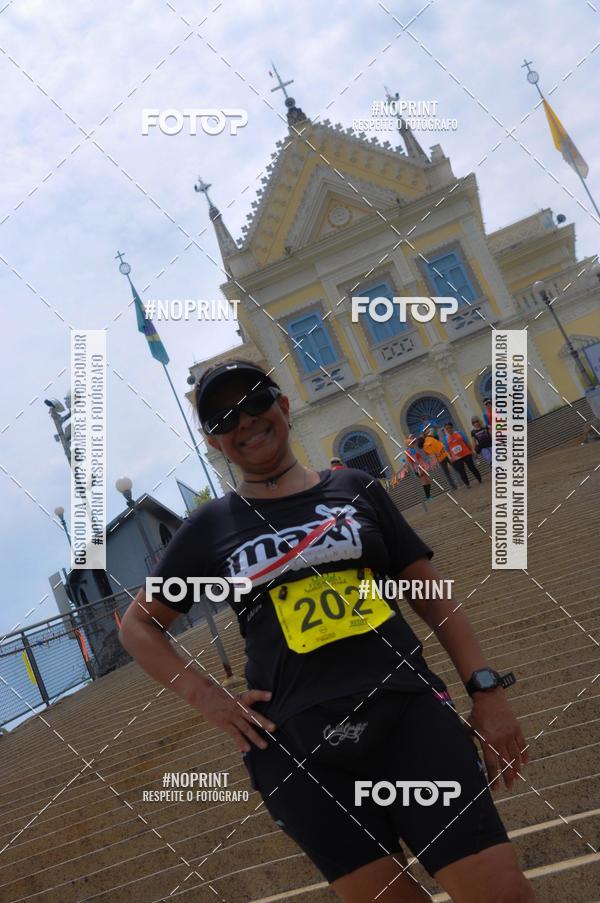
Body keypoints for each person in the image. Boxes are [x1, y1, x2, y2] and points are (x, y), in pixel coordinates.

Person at [118, 359, 534, 903]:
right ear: (214, 442)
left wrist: (487, 690)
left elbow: (433, 600)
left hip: (407, 714)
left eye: (256, 402)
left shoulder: (356, 488)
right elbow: (138, 627)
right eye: (223, 419)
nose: (245, 421)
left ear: (283, 405)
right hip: (295, 749)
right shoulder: (210, 526)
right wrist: (208, 698)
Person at [443, 423, 482, 489]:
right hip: (456, 458)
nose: (449, 429)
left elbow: (466, 442)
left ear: (452, 427)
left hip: (466, 453)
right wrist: (450, 457)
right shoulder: (446, 439)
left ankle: (479, 478)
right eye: (447, 428)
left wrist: (472, 450)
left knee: (472, 467)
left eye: (450, 427)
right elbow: (447, 450)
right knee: (461, 471)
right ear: (445, 430)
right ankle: (467, 484)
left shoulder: (460, 433)